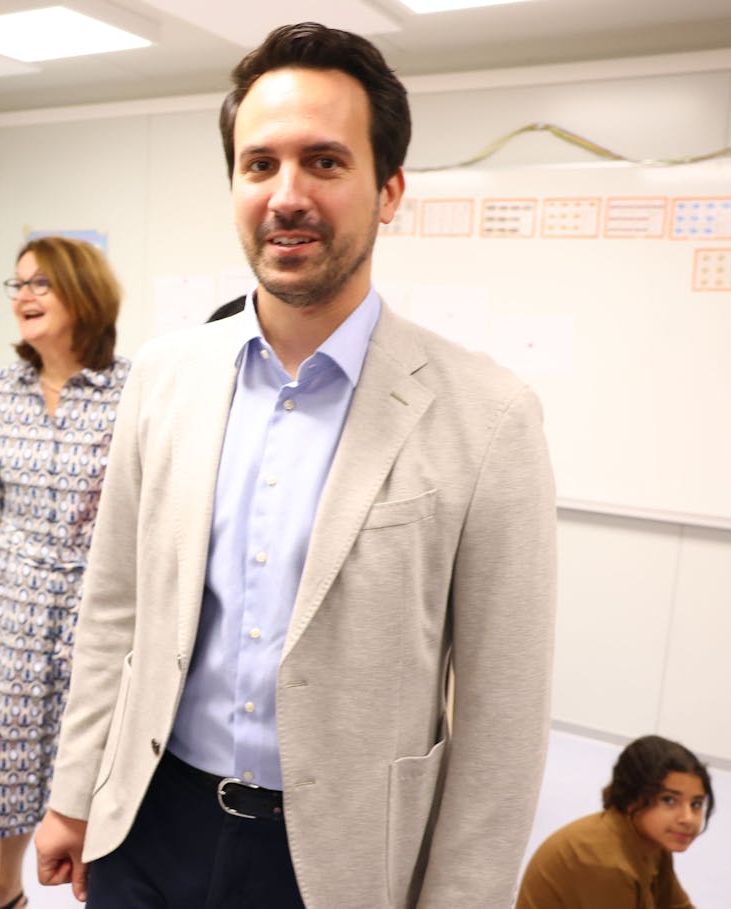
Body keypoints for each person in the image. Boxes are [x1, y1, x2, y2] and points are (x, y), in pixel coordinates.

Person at [34, 22, 557, 909]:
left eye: (324, 162)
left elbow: (502, 719)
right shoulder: (163, 377)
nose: (287, 195)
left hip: (336, 862)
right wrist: (73, 795)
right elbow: (112, 610)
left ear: (388, 191)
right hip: (147, 826)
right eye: (260, 164)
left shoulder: (490, 416)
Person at [0, 234, 129, 909]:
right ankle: (6, 884)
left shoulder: (129, 388)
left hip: (103, 601)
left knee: (97, 740)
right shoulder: (3, 390)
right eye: (17, 285)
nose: (24, 296)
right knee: (10, 745)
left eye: (40, 283)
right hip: (16, 599)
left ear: (82, 295)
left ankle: (101, 877)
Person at [517, 736, 713, 908]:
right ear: (631, 798)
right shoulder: (605, 863)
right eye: (669, 800)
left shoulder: (653, 843)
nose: (687, 818)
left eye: (696, 804)